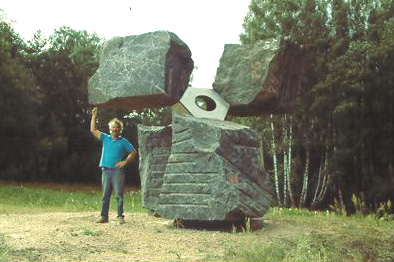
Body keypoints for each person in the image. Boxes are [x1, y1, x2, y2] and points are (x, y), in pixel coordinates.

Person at [90, 106, 137, 224]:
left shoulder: (123, 141)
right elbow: (93, 130)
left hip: (117, 171)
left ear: (120, 129)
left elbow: (133, 152)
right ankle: (103, 217)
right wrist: (94, 115)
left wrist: (125, 162)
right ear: (110, 128)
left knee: (119, 195)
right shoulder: (105, 138)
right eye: (113, 127)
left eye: (117, 127)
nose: (115, 129)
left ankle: (120, 216)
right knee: (105, 195)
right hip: (105, 170)